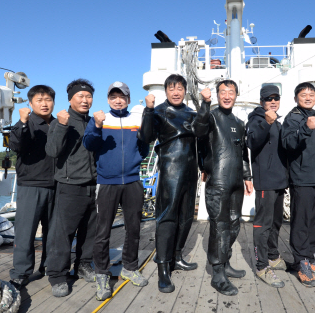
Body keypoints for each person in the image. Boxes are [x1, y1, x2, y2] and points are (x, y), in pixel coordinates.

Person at [138, 74, 211, 293]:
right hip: (170, 169)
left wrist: (206, 104)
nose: (176, 92)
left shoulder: (191, 113)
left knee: (186, 216)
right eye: (172, 88)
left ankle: (177, 256)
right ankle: (163, 267)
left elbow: (201, 132)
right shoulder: (159, 111)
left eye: (180, 88)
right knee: (167, 216)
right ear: (166, 91)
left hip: (190, 170)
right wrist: (148, 109)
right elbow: (146, 136)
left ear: (185, 91)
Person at [83, 82, 150, 300]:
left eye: (122, 96)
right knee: (102, 231)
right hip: (107, 183)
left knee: (133, 229)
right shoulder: (101, 119)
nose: (118, 100)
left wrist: (138, 155)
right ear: (108, 99)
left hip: (132, 182)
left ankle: (130, 267)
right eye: (113, 96)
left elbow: (145, 146)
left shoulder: (136, 120)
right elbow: (89, 144)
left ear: (129, 100)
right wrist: (97, 126)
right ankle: (102, 273)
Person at [199, 79, 253, 296]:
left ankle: (226, 262)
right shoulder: (210, 116)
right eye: (223, 92)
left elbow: (243, 153)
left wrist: (248, 176)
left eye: (231, 92)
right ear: (217, 95)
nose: (227, 95)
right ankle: (217, 272)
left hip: (236, 182)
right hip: (218, 182)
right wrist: (204, 104)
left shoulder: (240, 122)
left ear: (236, 95)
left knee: (234, 224)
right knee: (219, 227)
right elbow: (199, 131)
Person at [45, 79, 98, 297]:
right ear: (71, 99)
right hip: (69, 185)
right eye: (80, 96)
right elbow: (52, 151)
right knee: (62, 234)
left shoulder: (94, 121)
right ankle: (57, 275)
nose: (85, 100)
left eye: (88, 96)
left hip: (93, 184)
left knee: (90, 231)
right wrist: (62, 126)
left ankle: (83, 265)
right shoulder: (61, 120)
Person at [281, 82, 315, 288]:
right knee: (301, 222)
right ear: (296, 98)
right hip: (302, 178)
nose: (308, 97)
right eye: (304, 94)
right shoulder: (292, 118)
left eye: (312, 94)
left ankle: (309, 256)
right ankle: (300, 261)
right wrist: (305, 129)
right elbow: (288, 144)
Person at [8, 85, 56, 289]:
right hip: (30, 185)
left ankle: (50, 266)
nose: (44, 104)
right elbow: (16, 145)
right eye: (39, 100)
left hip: (57, 184)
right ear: (30, 103)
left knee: (54, 232)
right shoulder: (24, 124)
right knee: (25, 231)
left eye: (48, 100)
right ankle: (21, 272)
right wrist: (23, 121)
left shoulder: (59, 124)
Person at [246, 85, 288, 288]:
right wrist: (266, 123)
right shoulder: (256, 119)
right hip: (265, 181)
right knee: (262, 225)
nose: (273, 101)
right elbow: (252, 142)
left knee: (276, 222)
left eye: (276, 97)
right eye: (268, 98)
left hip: (280, 180)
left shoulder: (278, 121)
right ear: (261, 101)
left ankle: (272, 256)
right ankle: (262, 266)